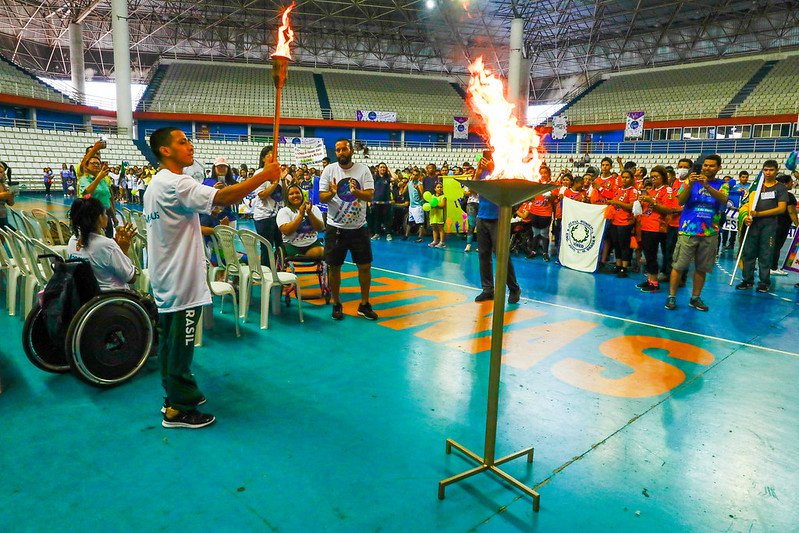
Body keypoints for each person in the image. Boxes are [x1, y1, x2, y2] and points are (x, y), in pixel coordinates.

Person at [144, 126, 280, 429]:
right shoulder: (176, 183)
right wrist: (262, 175)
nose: (189, 145)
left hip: (165, 275)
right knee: (182, 342)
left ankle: (176, 392)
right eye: (182, 142)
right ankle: (178, 410)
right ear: (165, 150)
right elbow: (224, 196)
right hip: (180, 278)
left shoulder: (156, 184)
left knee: (170, 341)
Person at [319, 138, 377, 321]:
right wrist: (334, 192)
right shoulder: (329, 170)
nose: (341, 152)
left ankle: (364, 304)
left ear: (351, 150)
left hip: (358, 227)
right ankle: (336, 303)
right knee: (334, 267)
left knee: (365, 266)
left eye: (344, 149)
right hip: (335, 227)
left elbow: (369, 195)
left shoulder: (363, 169)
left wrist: (356, 192)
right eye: (337, 150)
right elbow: (322, 197)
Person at [665, 155, 728, 311]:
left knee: (702, 268)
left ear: (719, 168)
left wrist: (706, 186)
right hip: (688, 231)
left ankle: (695, 298)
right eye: (705, 165)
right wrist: (690, 184)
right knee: (679, 266)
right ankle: (671, 296)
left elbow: (724, 200)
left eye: (712, 166)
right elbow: (680, 201)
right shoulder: (689, 181)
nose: (707, 168)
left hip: (710, 232)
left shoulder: (723, 184)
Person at [474, 152, 521, 304]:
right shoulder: (483, 172)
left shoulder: (504, 171)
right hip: (482, 217)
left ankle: (514, 288)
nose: (487, 160)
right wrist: (478, 173)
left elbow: (505, 189)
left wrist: (493, 168)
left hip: (498, 219)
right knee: (483, 255)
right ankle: (488, 289)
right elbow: (474, 192)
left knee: (502, 255)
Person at [736, 160, 788, 293]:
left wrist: (759, 213)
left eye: (771, 170)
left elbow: (781, 209)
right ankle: (747, 280)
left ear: (776, 170)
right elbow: (746, 205)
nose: (768, 173)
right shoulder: (756, 186)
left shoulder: (780, 188)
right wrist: (747, 217)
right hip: (753, 225)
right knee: (749, 253)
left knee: (766, 254)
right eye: (765, 170)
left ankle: (764, 282)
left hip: (769, 226)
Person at [66, 197, 138, 291]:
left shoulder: (72, 241)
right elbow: (131, 278)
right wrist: (124, 250)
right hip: (112, 300)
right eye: (105, 213)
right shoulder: (106, 245)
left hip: (84, 299)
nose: (107, 216)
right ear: (100, 218)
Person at [636, 166, 676, 292]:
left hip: (656, 227)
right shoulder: (652, 191)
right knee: (648, 255)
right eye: (652, 176)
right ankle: (650, 279)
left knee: (652, 255)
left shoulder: (667, 190)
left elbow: (668, 209)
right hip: (646, 225)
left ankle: (654, 282)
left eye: (656, 177)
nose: (653, 179)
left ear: (663, 177)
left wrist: (651, 201)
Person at [253, 147, 289, 264]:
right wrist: (274, 183)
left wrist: (282, 180)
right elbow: (262, 195)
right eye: (269, 155)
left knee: (281, 246)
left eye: (275, 155)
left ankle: (280, 272)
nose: (273, 158)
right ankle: (267, 275)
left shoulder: (279, 173)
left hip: (279, 216)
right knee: (266, 247)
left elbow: (285, 196)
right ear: (263, 158)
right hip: (264, 216)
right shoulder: (259, 173)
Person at [78, 140, 116, 237]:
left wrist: (113, 216)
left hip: (105, 213)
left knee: (108, 239)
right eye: (93, 154)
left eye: (98, 153)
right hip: (91, 213)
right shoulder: (84, 175)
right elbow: (87, 192)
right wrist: (95, 148)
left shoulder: (104, 177)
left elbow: (109, 197)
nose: (96, 155)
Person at [277, 184, 325, 258]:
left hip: (312, 244)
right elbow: (286, 231)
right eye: (291, 194)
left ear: (302, 194)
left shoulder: (314, 209)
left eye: (297, 193)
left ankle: (304, 258)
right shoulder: (284, 211)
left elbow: (321, 228)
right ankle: (302, 258)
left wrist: (309, 213)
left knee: (320, 251)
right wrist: (301, 215)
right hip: (292, 245)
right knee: (296, 257)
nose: (295, 195)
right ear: (287, 197)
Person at [607, 170, 638, 278]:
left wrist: (616, 202)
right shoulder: (618, 189)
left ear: (632, 179)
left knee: (624, 245)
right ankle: (618, 264)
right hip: (615, 221)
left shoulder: (633, 191)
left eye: (627, 177)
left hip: (625, 222)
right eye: (623, 177)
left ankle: (624, 267)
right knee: (616, 244)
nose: (624, 179)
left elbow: (631, 206)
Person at [771, 173, 798, 276]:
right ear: (786, 184)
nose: (793, 184)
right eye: (791, 182)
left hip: (771, 223)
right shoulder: (788, 196)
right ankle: (773, 267)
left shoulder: (773, 193)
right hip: (781, 225)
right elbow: (791, 212)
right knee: (776, 246)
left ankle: (766, 266)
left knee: (770, 246)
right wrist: (797, 225)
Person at [369, 162, 394, 241]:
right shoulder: (374, 178)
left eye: (384, 167)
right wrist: (370, 200)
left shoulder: (387, 178)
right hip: (376, 202)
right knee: (377, 219)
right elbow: (371, 189)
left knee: (387, 219)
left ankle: (388, 234)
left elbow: (396, 178)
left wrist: (390, 169)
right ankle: (377, 234)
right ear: (378, 168)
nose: (383, 168)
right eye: (381, 167)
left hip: (386, 202)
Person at [406, 169, 425, 242]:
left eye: (416, 175)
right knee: (410, 221)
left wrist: (417, 189)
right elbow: (402, 192)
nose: (414, 176)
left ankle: (420, 237)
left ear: (419, 176)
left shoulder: (419, 184)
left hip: (418, 206)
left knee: (420, 223)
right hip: (411, 205)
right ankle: (406, 235)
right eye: (413, 174)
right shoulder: (409, 183)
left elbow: (422, 196)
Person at [428, 181, 447, 248]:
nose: (439, 188)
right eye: (438, 187)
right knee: (434, 228)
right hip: (433, 215)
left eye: (441, 187)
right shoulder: (432, 196)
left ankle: (442, 242)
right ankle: (435, 241)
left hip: (440, 215)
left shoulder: (443, 197)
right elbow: (429, 204)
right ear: (435, 189)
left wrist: (435, 204)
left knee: (440, 228)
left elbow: (442, 205)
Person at [0, 162, 16, 228]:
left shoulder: (3, 185)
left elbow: (11, 203)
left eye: (1, 172)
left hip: (2, 216)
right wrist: (2, 195)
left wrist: (11, 196)